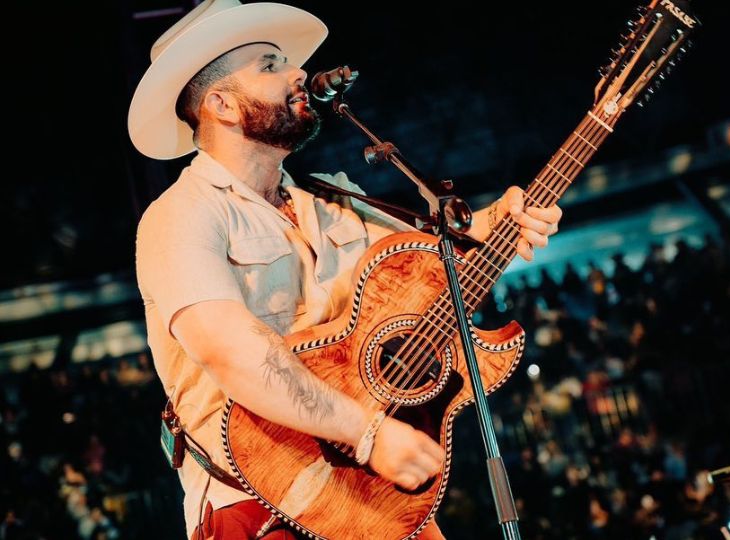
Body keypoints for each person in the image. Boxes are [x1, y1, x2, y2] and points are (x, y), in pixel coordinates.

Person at [127, 1, 563, 538]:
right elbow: (229, 351)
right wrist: (368, 434)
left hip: (370, 498)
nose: (298, 75)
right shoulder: (179, 216)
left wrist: (497, 224)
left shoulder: (333, 200)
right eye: (270, 66)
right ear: (220, 103)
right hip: (262, 504)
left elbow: (428, 281)